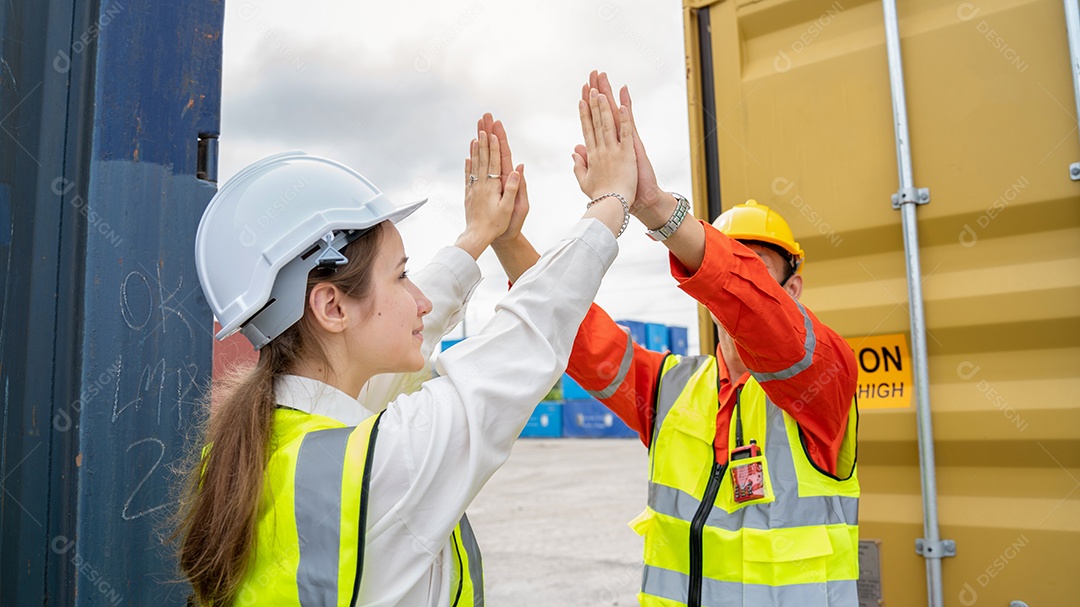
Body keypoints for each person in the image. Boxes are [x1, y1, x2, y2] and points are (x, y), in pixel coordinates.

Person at [176, 97, 637, 606]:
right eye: (401, 276)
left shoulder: (257, 446)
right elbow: (525, 336)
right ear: (331, 306)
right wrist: (610, 203)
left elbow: (404, 330)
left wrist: (478, 236)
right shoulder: (385, 463)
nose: (419, 300)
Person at [491, 71, 860, 607]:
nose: (743, 280)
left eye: (757, 269)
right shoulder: (672, 389)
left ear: (792, 289)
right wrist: (507, 239)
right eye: (733, 262)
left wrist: (655, 207)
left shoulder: (823, 382)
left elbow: (766, 320)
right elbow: (572, 327)